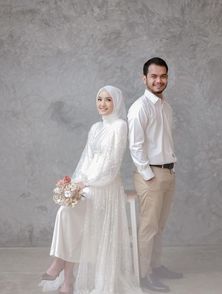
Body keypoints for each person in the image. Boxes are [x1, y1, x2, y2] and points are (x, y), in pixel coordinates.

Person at [40, 86, 143, 294]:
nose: (102, 104)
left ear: (116, 103)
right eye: (99, 99)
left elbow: (112, 165)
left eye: (108, 100)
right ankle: (67, 278)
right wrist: (75, 183)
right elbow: (86, 159)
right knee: (66, 212)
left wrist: (87, 183)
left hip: (106, 185)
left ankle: (60, 267)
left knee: (73, 219)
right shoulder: (95, 127)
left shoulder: (120, 126)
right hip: (88, 184)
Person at [128, 57, 183, 292]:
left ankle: (156, 266)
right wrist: (148, 175)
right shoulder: (140, 107)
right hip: (151, 175)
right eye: (154, 76)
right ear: (144, 78)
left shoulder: (165, 106)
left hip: (168, 172)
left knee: (159, 226)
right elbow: (135, 146)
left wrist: (170, 169)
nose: (159, 80)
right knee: (148, 227)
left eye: (163, 76)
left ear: (167, 78)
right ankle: (143, 275)